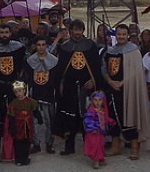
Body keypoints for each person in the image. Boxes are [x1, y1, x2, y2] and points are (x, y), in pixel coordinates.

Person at [50, 20, 103, 155]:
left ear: (83, 30)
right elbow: (60, 68)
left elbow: (96, 67)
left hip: (86, 86)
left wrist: (93, 80)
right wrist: (61, 83)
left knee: (87, 115)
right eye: (75, 29)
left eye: (80, 29)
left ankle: (89, 146)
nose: (77, 32)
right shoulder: (65, 47)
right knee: (69, 115)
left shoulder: (90, 46)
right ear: (71, 30)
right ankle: (69, 146)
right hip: (69, 86)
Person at [101, 24, 150, 160]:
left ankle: (134, 148)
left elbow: (137, 72)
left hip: (128, 90)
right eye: (119, 34)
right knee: (112, 117)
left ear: (128, 35)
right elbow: (104, 69)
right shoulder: (110, 51)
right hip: (112, 89)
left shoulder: (133, 51)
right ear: (115, 35)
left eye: (123, 34)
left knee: (128, 117)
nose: (121, 36)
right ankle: (116, 146)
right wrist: (110, 82)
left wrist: (123, 82)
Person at [0, 24, 27, 150]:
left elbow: (23, 66)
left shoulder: (19, 48)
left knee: (15, 113)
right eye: (2, 32)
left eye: (6, 32)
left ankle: (15, 141)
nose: (4, 35)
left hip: (13, 85)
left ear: (10, 34)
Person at [26, 37, 58, 154]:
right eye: (38, 45)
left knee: (49, 120)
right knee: (34, 120)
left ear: (46, 46)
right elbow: (28, 78)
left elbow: (55, 79)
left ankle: (49, 143)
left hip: (49, 93)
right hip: (35, 93)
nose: (41, 47)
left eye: (43, 44)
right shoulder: (30, 61)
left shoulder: (53, 61)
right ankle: (36, 143)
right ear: (36, 46)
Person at [6, 81, 37, 166]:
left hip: (27, 126)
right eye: (16, 92)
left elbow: (35, 109)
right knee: (18, 143)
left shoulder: (30, 101)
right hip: (18, 126)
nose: (18, 93)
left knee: (27, 142)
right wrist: (12, 127)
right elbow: (11, 116)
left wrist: (39, 117)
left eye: (20, 91)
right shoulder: (13, 103)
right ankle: (19, 159)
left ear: (24, 90)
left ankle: (25, 158)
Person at [83, 91, 115, 169]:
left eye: (100, 100)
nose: (97, 102)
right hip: (93, 132)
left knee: (100, 145)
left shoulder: (103, 109)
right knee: (95, 145)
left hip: (101, 132)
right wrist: (93, 128)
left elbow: (106, 118)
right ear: (92, 100)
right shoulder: (91, 110)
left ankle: (100, 158)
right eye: (95, 100)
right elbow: (88, 120)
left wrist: (111, 121)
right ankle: (96, 161)